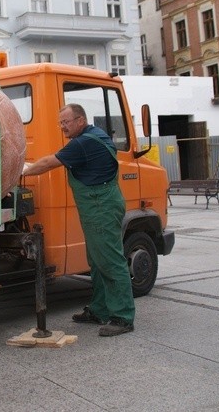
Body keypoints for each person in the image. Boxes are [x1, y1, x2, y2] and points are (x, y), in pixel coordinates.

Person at [22, 103, 135, 337]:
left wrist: (21, 171)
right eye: (60, 122)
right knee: (97, 259)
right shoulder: (95, 135)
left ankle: (123, 317)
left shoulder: (83, 143)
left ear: (80, 121)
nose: (62, 126)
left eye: (66, 122)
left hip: (100, 206)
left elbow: (48, 163)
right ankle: (100, 309)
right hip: (98, 205)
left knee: (111, 260)